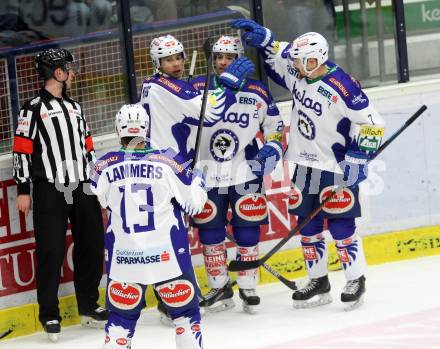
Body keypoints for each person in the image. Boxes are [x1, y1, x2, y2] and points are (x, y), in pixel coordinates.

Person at [231, 19, 385, 310]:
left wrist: (358, 156)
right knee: (307, 225)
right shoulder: (302, 73)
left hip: (334, 167)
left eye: (301, 62)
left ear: (315, 60)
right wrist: (267, 40)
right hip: (303, 164)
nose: (295, 66)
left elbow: (373, 123)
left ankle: (355, 279)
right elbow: (283, 57)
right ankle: (318, 279)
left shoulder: (343, 86)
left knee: (341, 226)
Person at [137, 33, 255, 322]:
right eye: (168, 59)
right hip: (167, 173)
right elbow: (210, 112)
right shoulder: (163, 86)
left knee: (172, 236)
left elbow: (195, 107)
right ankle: (170, 303)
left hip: (169, 171)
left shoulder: (161, 85)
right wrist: (228, 83)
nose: (176, 63)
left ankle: (174, 297)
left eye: (178, 57)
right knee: (170, 238)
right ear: (157, 62)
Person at [91, 104, 207, 349]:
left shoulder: (102, 166)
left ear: (117, 130)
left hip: (125, 259)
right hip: (167, 258)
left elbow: (103, 200)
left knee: (121, 320)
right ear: (147, 128)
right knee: (185, 316)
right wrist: (198, 179)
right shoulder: (169, 161)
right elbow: (194, 205)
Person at [12, 48, 107, 342]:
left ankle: (89, 305)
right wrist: (23, 190)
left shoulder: (76, 107)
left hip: (81, 186)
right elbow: (22, 150)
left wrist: (97, 183)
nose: (73, 72)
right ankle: (49, 313)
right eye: (68, 67)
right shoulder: (32, 108)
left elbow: (87, 146)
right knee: (51, 251)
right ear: (57, 72)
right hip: (49, 188)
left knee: (91, 243)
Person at [189, 35, 284, 314]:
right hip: (206, 175)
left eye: (228, 57)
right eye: (218, 56)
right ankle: (220, 288)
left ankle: (248, 286)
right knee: (210, 233)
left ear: (239, 59)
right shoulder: (196, 88)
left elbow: (275, 125)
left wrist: (274, 148)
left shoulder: (257, 90)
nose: (222, 62)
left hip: (245, 172)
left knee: (247, 231)